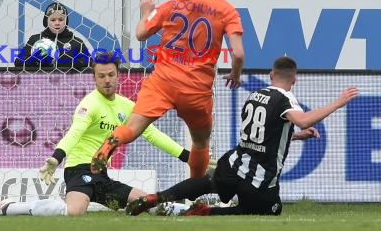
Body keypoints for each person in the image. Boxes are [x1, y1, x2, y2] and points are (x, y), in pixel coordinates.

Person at [125, 56, 359, 216]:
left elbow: (263, 134)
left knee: (210, 183)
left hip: (235, 164)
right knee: (271, 210)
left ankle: (158, 197)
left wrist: (296, 136)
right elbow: (303, 119)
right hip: (258, 179)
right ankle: (207, 212)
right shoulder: (285, 98)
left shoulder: (256, 95)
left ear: (270, 74)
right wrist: (338, 103)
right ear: (294, 80)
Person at [0, 51, 197, 217]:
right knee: (74, 212)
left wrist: (189, 157)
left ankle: (196, 211)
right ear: (94, 78)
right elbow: (74, 133)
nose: (107, 80)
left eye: (111, 75)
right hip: (79, 169)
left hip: (101, 176)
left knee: (144, 203)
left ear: (119, 76)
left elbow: (152, 134)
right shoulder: (89, 104)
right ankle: (7, 207)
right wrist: (56, 157)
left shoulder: (128, 106)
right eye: (101, 76)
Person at [91, 0, 245, 180]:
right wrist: (235, 73)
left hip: (162, 81)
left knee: (133, 128)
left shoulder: (173, 4)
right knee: (200, 142)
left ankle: (108, 145)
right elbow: (238, 53)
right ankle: (193, 188)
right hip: (196, 88)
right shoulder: (227, 10)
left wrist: (146, 11)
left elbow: (141, 33)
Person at [14, 2, 90, 71]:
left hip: (67, 84)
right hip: (41, 83)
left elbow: (90, 62)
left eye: (61, 20)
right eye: (53, 20)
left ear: (66, 21)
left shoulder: (75, 42)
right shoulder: (36, 39)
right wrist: (35, 61)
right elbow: (18, 62)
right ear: (46, 21)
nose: (57, 23)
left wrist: (75, 62)